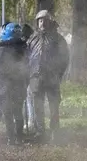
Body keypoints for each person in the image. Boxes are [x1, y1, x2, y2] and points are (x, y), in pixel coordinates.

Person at [26, 10, 69, 141]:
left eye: (44, 20)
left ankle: (55, 132)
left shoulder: (58, 38)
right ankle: (40, 132)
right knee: (37, 105)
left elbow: (65, 58)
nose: (42, 23)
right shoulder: (32, 38)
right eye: (39, 20)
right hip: (36, 78)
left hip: (52, 78)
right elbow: (26, 56)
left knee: (54, 106)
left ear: (50, 22)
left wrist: (58, 74)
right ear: (36, 22)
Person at [0, 22, 29, 145]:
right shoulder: (24, 48)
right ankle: (19, 137)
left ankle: (11, 139)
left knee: (7, 113)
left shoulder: (2, 49)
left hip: (5, 87)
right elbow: (27, 68)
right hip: (19, 86)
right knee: (18, 112)